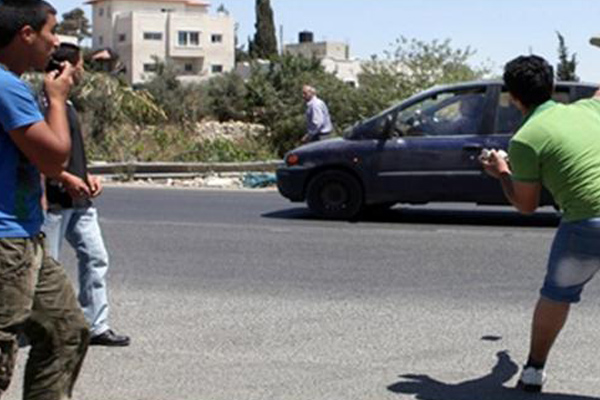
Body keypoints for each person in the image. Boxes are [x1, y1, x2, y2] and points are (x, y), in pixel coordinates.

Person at [481, 55, 600, 393]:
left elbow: (526, 205)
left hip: (586, 225)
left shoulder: (525, 139)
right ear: (552, 87)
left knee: (557, 295)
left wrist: (502, 172)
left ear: (513, 98)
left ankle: (534, 369)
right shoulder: (589, 110)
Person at [0, 1, 89, 399]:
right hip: (8, 244)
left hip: (25, 237)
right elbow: (54, 154)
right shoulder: (7, 87)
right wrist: (56, 98)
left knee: (64, 330)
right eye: (51, 31)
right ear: (26, 34)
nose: (57, 41)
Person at [41, 43, 131, 347]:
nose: (82, 70)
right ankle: (42, 329)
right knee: (47, 269)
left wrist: (85, 176)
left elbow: (72, 153)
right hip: (53, 202)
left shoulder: (65, 105)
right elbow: (38, 156)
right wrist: (64, 178)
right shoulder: (43, 105)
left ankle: (96, 325)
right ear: (66, 67)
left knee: (95, 257)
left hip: (79, 200)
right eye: (79, 64)